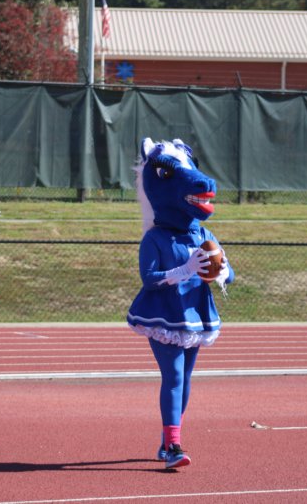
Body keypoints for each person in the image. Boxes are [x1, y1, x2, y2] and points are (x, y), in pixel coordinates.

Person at [127, 138, 234, 469]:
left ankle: (167, 439)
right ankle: (173, 445)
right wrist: (184, 270)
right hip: (164, 314)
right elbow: (149, 278)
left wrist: (222, 271)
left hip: (194, 313)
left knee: (185, 379)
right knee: (173, 377)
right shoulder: (155, 238)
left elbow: (228, 275)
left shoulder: (204, 235)